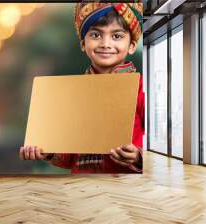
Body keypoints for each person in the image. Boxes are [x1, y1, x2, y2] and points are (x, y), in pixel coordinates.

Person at [19, 2, 145, 173]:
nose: (105, 44)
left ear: (132, 45)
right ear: (83, 43)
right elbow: (69, 158)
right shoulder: (73, 92)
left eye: (116, 36)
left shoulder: (141, 87)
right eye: (95, 35)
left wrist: (138, 156)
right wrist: (46, 151)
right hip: (80, 188)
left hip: (127, 190)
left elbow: (162, 144)